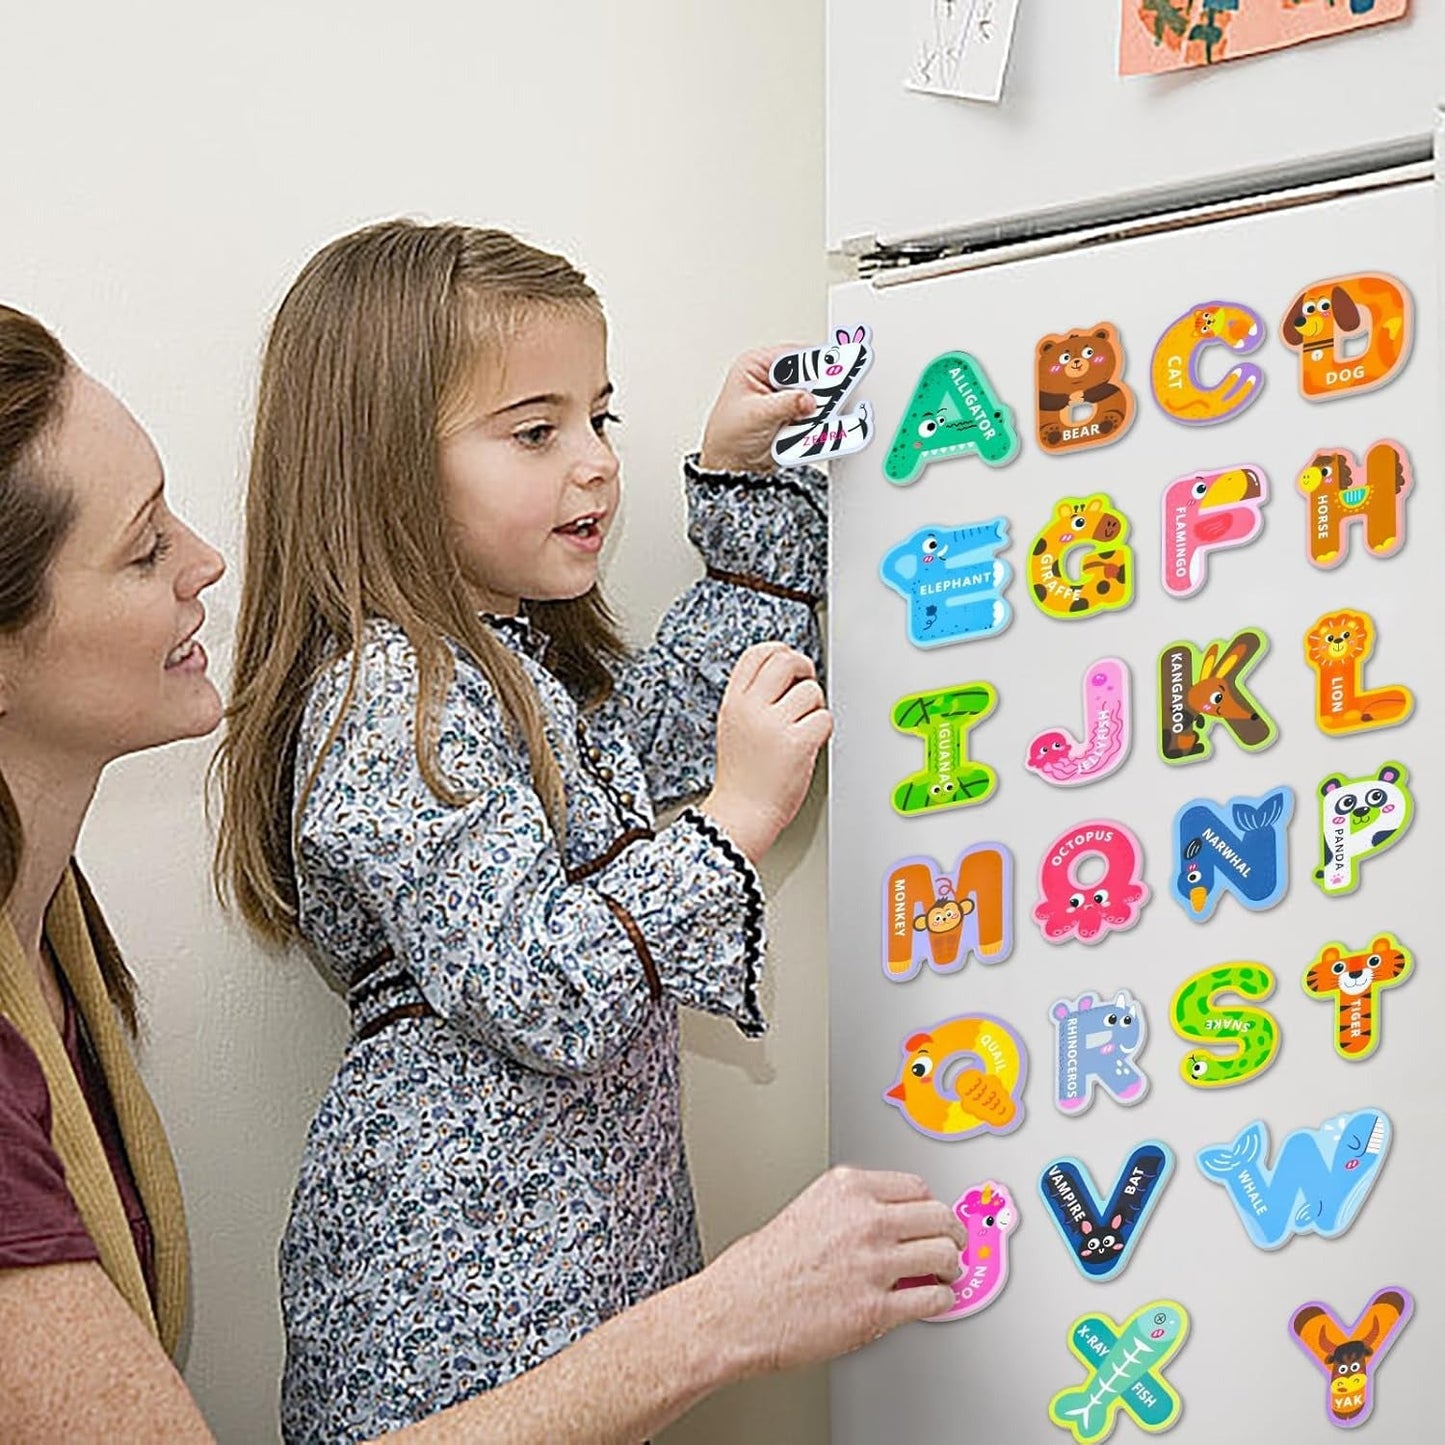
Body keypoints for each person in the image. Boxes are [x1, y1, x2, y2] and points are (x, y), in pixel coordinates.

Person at [0, 297, 962, 1441]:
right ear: (394, 472)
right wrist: (733, 819)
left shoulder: (498, 671)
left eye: (598, 418)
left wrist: (740, 480)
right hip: (460, 1330)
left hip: (568, 1314)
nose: (598, 464)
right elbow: (541, 981)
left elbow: (672, 735)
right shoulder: (386, 702)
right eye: (534, 431)